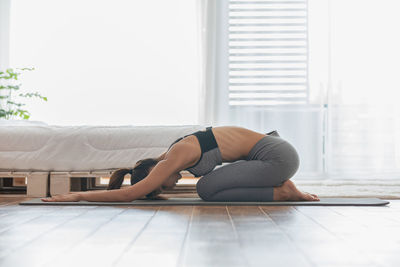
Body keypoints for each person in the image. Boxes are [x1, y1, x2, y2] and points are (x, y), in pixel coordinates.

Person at [41, 126, 320, 202]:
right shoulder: (174, 153)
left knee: (206, 188)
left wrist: (79, 195)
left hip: (278, 157)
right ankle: (278, 189)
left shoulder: (173, 158)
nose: (168, 185)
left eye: (155, 185)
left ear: (152, 172)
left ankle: (282, 192)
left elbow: (129, 194)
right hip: (276, 155)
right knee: (209, 188)